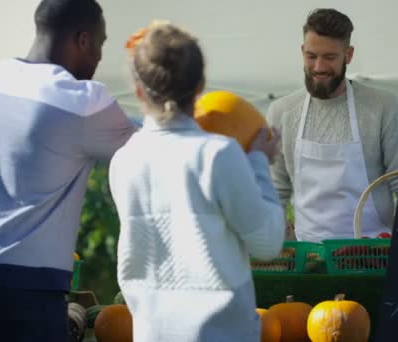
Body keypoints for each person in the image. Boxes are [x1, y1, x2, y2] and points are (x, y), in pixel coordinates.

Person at [0, 0, 136, 340]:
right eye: (101, 44)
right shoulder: (81, 100)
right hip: (24, 292)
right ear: (83, 40)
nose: (100, 58)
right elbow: (156, 153)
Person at [109, 22, 285, 341]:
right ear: (200, 85)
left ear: (137, 90)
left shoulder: (124, 160)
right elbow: (267, 243)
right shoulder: (219, 154)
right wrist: (258, 162)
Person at [266, 8, 398, 242]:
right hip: (308, 255)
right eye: (311, 56)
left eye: (329, 57)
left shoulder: (384, 107)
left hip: (374, 250)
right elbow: (274, 193)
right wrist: (279, 247)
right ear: (302, 52)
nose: (318, 67)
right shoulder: (281, 112)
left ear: (348, 55)